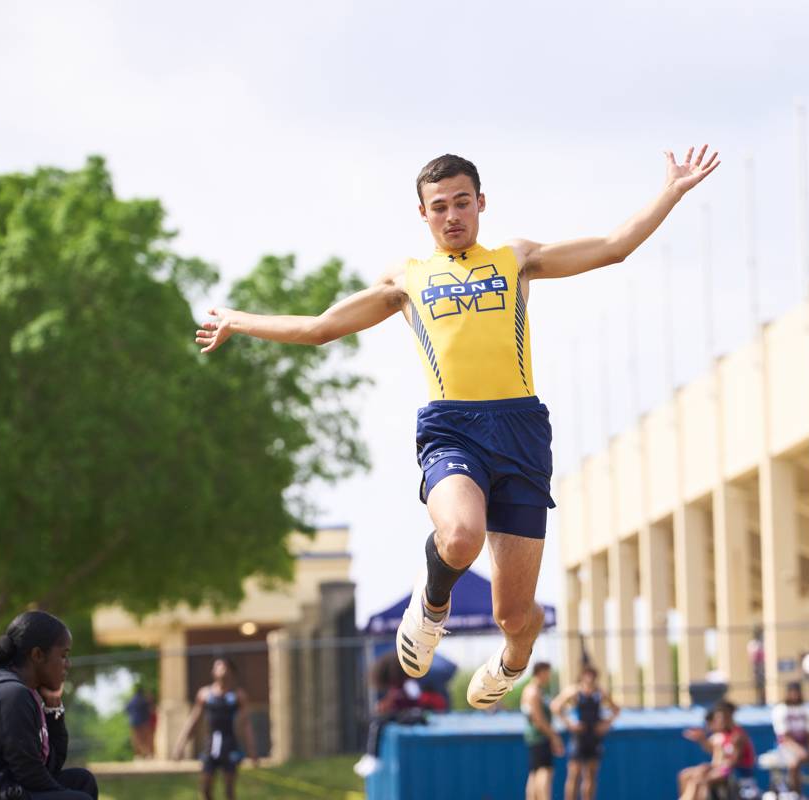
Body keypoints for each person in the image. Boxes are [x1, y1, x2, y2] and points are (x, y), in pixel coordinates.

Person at [194, 146, 720, 708]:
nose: (452, 216)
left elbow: (613, 248)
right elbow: (322, 326)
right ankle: (433, 603)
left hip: (520, 431)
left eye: (462, 203)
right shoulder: (407, 278)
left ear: (480, 203)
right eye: (439, 206)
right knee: (461, 535)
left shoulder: (516, 258)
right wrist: (237, 320)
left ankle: (514, 658)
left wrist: (670, 190)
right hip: (452, 427)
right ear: (422, 213)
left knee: (514, 614)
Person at [0, 611, 98, 800]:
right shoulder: (12, 695)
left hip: (6, 786)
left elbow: (49, 766)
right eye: (63, 655)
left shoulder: (17, 689)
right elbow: (30, 776)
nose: (67, 664)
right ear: (37, 654)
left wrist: (53, 707)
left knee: (82, 781)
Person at [172, 657, 258, 800]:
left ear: (231, 671)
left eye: (224, 667)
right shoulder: (205, 694)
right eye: (217, 667)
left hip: (229, 744)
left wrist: (252, 750)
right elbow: (193, 721)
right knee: (205, 788)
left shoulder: (238, 695)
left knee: (229, 790)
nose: (221, 670)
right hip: (211, 744)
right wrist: (180, 745)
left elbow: (246, 724)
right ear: (213, 672)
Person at [552, 665, 620, 800]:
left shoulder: (600, 692)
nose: (590, 678)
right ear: (582, 676)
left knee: (591, 775)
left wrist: (605, 724)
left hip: (593, 737)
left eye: (592, 675)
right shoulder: (575, 691)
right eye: (587, 674)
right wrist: (569, 723)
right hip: (579, 737)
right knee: (574, 774)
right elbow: (555, 706)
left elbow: (616, 709)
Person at [679, 702, 754, 800]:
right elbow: (712, 749)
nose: (717, 721)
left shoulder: (737, 736)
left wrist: (713, 768)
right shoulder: (722, 735)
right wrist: (701, 739)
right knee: (685, 775)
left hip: (737, 772)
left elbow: (733, 762)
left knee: (702, 780)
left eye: (720, 718)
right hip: (723, 768)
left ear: (728, 718)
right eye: (716, 719)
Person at [521, 662, 563, 800]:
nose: (549, 677)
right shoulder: (533, 692)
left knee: (535, 773)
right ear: (540, 672)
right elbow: (538, 720)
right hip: (540, 737)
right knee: (544, 772)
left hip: (535, 738)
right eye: (547, 673)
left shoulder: (532, 690)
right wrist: (554, 736)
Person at [125, 685, 154, 759]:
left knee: (136, 739)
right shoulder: (144, 700)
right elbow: (150, 710)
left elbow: (127, 710)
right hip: (144, 723)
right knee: (146, 739)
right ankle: (148, 754)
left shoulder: (131, 701)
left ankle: (138, 755)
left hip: (134, 723)